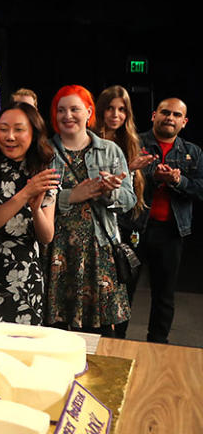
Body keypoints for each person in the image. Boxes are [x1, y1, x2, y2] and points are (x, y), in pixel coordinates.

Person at [47, 85, 135, 335]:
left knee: (101, 334)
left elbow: (128, 200)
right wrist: (71, 196)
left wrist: (109, 192)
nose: (67, 116)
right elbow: (32, 201)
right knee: (57, 331)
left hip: (99, 252)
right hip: (57, 251)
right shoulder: (44, 151)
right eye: (61, 110)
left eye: (75, 109)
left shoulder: (110, 150)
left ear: (88, 112)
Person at [0, 102, 59, 324]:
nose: (10, 136)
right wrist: (24, 194)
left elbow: (47, 236)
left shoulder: (43, 173)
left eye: (19, 129)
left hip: (26, 276)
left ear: (33, 133)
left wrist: (36, 209)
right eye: (3, 129)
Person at [136, 98, 203, 343]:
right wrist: (150, 176)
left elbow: (200, 189)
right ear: (154, 115)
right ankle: (116, 340)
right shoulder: (136, 143)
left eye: (176, 115)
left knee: (164, 294)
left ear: (184, 122)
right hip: (135, 228)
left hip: (171, 232)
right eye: (165, 112)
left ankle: (158, 345)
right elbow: (121, 179)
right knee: (122, 289)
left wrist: (178, 182)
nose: (170, 118)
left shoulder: (192, 152)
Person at [93, 86, 153, 337]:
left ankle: (119, 343)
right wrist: (128, 168)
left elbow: (130, 194)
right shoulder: (90, 140)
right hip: (98, 227)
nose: (115, 115)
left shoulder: (131, 141)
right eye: (110, 108)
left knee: (123, 293)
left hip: (127, 226)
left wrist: (133, 171)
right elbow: (93, 188)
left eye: (121, 110)